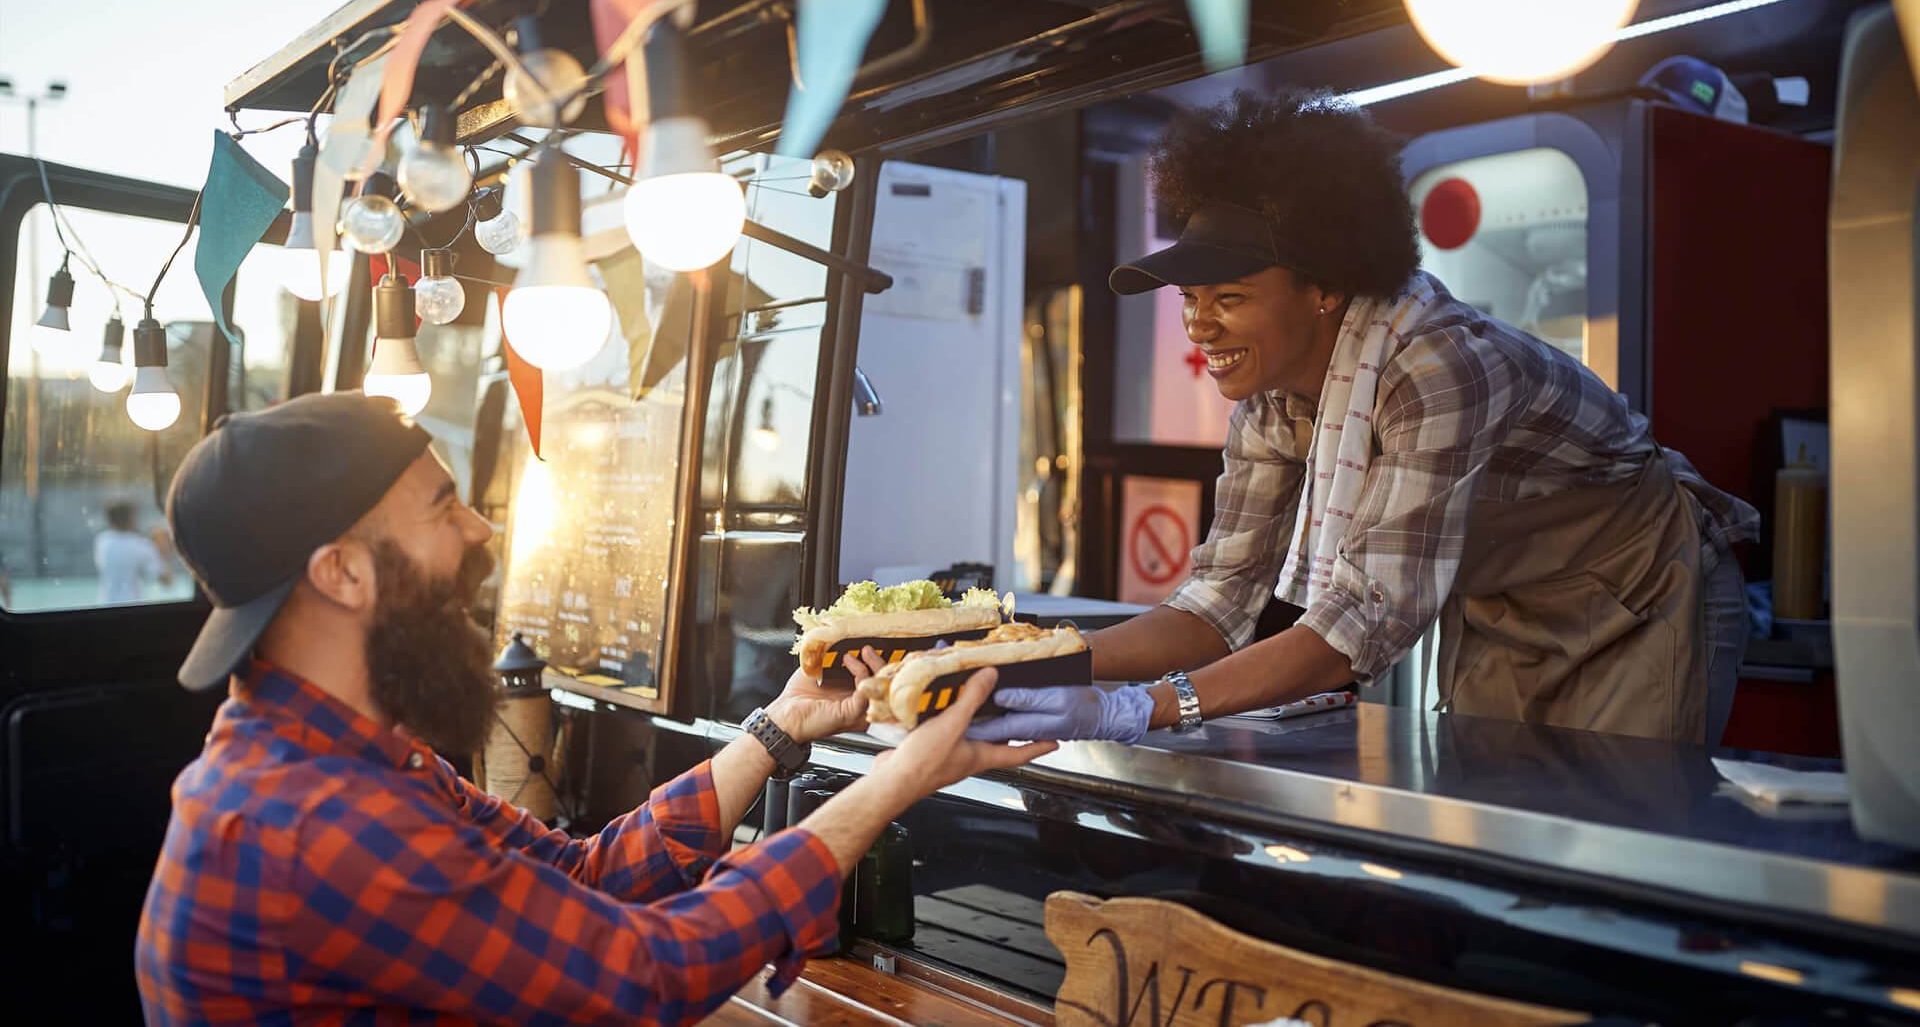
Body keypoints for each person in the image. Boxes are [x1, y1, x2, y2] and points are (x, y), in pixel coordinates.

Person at [135, 392, 1054, 1025]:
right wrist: (898, 779)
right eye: (445, 506)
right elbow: (645, 981)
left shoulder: (352, 759)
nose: (482, 531)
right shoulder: (319, 822)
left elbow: (581, 878)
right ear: (342, 572)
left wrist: (776, 730)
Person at [974, 89, 1757, 747]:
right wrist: (1039, 661)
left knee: (1614, 858)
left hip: (1641, 597)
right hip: (1502, 611)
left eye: (1231, 296)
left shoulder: (1437, 367)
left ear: (1325, 286)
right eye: (1192, 299)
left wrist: (1138, 707)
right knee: (1501, 840)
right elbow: (1220, 603)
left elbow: (1356, 626)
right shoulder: (1270, 401)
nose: (1200, 325)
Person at [94, 499, 172, 605]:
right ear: (132, 518)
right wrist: (161, 550)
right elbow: (166, 580)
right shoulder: (141, 546)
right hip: (132, 607)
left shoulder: (102, 540)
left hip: (105, 605)